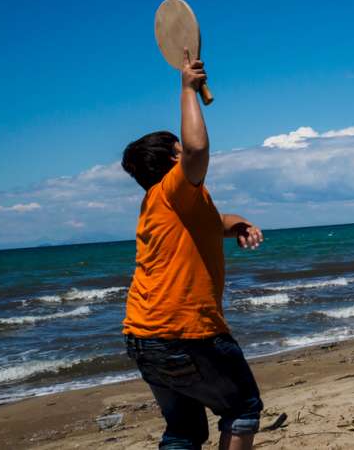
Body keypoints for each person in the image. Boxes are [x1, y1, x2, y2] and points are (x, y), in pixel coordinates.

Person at [121, 49, 265, 450]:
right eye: (179, 150)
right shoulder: (173, 187)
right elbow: (198, 148)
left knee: (184, 431)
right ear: (172, 160)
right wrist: (187, 87)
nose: (188, 153)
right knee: (242, 409)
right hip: (185, 333)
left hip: (142, 335)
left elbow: (212, 223)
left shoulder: (163, 203)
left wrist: (239, 225)